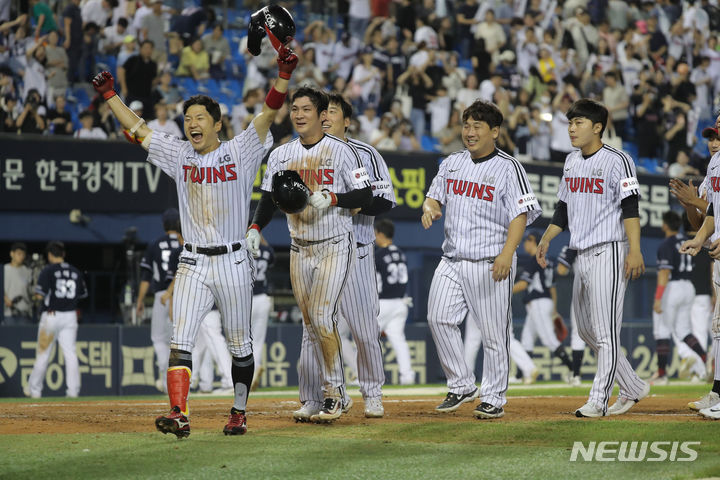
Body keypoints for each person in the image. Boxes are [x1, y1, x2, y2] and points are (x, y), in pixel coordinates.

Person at [91, 28, 298, 436]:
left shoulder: (240, 149)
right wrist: (110, 95)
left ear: (217, 123)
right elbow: (140, 130)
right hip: (193, 261)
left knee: (239, 345)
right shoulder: (180, 152)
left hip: (235, 259)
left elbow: (270, 111)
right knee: (179, 338)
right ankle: (179, 413)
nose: (191, 124)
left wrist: (284, 75)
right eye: (187, 119)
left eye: (199, 118)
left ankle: (238, 411)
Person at [249, 87, 373, 423]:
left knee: (321, 316)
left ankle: (336, 394)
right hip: (298, 246)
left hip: (335, 242)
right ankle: (316, 398)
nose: (299, 114)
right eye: (295, 109)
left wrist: (334, 198)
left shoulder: (343, 151)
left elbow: (365, 192)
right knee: (310, 323)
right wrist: (254, 229)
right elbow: (267, 197)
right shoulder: (280, 154)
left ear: (322, 116)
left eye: (306, 109)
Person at [422, 99, 541, 419]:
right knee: (438, 318)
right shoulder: (452, 162)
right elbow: (433, 195)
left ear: (495, 131)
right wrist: (430, 206)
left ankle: (493, 397)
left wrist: (507, 253)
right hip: (451, 258)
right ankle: (461, 384)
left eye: (477, 126)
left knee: (493, 334)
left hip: (490, 260)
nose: (469, 131)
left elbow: (521, 215)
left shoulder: (508, 166)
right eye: (466, 125)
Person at [536, 98, 650, 418]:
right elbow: (563, 208)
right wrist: (546, 238)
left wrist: (636, 249)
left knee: (604, 332)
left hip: (610, 250)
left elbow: (631, 208)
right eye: (570, 123)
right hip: (581, 253)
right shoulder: (571, 161)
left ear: (597, 127)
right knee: (586, 331)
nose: (572, 128)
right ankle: (633, 385)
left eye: (579, 122)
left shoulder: (618, 160)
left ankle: (598, 399)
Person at [296, 92, 394, 418]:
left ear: (347, 121)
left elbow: (384, 200)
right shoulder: (305, 153)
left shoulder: (365, 153)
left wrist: (350, 202)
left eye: (332, 112)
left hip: (357, 252)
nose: (325, 117)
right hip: (318, 251)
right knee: (313, 330)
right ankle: (312, 398)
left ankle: (372, 393)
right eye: (321, 111)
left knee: (364, 329)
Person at [24, 242, 87, 398]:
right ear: (63, 254)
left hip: (51, 316)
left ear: (50, 255)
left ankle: (35, 390)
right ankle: (73, 392)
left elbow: (39, 295)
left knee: (44, 354)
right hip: (70, 316)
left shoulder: (48, 270)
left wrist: (34, 296)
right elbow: (82, 294)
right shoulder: (75, 271)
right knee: (71, 354)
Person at [651, 210, 706, 385]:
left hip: (673, 287)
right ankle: (704, 359)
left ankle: (661, 375)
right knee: (683, 331)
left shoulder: (666, 244)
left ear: (665, 225)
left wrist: (658, 298)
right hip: (689, 287)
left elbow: (665, 272)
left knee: (662, 330)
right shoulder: (686, 241)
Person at [515, 231, 574, 378]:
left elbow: (523, 284)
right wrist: (553, 309)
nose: (524, 244)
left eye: (526, 241)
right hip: (544, 302)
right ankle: (521, 375)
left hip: (538, 303)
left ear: (532, 241)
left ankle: (573, 370)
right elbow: (552, 287)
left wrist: (503, 292)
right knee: (527, 339)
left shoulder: (534, 260)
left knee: (549, 340)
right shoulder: (547, 260)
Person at [135, 208, 183, 393]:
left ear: (164, 225)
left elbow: (146, 277)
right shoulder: (185, 243)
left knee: (158, 338)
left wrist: (140, 300)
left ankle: (165, 378)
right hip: (180, 293)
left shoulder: (155, 244)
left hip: (162, 295)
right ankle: (180, 382)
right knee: (177, 341)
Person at [374, 219, 414, 385]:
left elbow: (375, 282)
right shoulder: (400, 253)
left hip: (384, 303)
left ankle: (364, 375)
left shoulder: (379, 254)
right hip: (401, 303)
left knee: (366, 338)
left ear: (381, 234)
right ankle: (408, 377)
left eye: (376, 233)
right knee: (398, 340)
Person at [556, 245, 586, 386]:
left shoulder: (575, 243)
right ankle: (613, 374)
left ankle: (576, 375)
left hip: (583, 291)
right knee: (605, 334)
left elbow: (561, 270)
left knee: (578, 334)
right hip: (605, 289)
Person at [249, 237, 275, 390]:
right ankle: (255, 367)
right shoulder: (265, 250)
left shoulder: (242, 247)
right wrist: (259, 235)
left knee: (242, 340)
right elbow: (271, 257)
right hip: (263, 299)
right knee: (257, 341)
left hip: (247, 299)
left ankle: (249, 372)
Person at [4, 242, 32, 325]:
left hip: (24, 312)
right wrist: (5, 299)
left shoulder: (27, 271)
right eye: (19, 254)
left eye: (23, 255)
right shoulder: (4, 269)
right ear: (12, 254)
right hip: (8, 312)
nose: (21, 257)